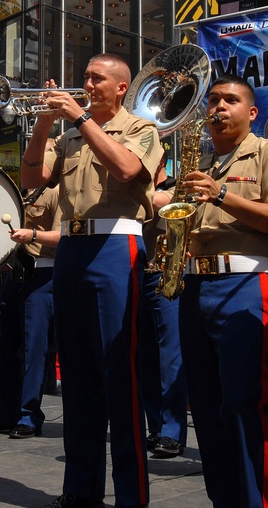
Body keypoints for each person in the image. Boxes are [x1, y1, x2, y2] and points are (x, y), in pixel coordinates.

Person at [21, 53, 163, 508]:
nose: (87, 84)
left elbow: (126, 170)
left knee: (120, 373)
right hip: (72, 248)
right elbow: (31, 178)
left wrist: (80, 118)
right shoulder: (68, 136)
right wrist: (43, 124)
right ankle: (80, 490)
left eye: (97, 78)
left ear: (121, 87)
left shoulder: (141, 128)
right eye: (85, 77)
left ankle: (129, 495)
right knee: (78, 376)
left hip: (117, 247)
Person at [175, 74, 268, 508]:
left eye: (230, 100)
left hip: (247, 283)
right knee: (206, 410)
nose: (218, 108)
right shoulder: (203, 162)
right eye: (213, 101)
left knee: (246, 404)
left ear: (252, 112)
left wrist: (220, 193)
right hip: (196, 284)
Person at [0, 186, 61, 440]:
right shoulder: (18, 194)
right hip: (16, 274)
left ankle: (28, 414)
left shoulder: (56, 192)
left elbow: (63, 236)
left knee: (34, 348)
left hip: (44, 272)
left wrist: (32, 235)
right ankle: (7, 412)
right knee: (3, 345)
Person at [140, 162, 188, 459]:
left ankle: (172, 431)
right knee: (144, 358)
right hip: (137, 274)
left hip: (165, 274)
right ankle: (156, 426)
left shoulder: (172, 186)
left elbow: (160, 201)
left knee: (170, 355)